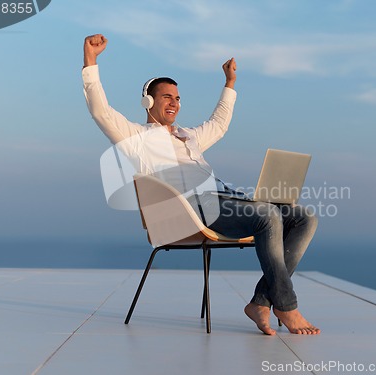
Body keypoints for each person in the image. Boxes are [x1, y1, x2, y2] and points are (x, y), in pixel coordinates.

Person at [82, 34, 320, 335]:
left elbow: (219, 124)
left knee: (303, 217)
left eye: (178, 98)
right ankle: (287, 307)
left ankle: (261, 301)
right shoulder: (137, 139)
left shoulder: (189, 136)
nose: (175, 103)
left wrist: (230, 83)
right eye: (167, 97)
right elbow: (100, 111)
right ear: (148, 101)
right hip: (189, 211)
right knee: (269, 216)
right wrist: (91, 61)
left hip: (223, 199)